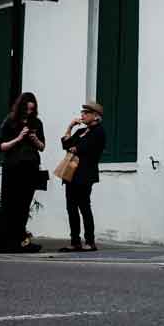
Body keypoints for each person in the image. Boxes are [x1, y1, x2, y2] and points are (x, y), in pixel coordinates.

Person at [0, 91, 45, 252]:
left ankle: (22, 241)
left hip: (30, 168)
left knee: (24, 205)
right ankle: (8, 241)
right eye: (27, 109)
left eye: (32, 109)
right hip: (12, 168)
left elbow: (42, 147)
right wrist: (18, 138)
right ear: (21, 107)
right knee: (11, 204)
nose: (30, 112)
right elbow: (1, 146)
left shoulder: (37, 123)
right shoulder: (10, 122)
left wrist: (34, 138)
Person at [59, 100, 107, 251]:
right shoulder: (81, 131)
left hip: (85, 174)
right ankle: (75, 241)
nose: (82, 115)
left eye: (86, 113)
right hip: (72, 173)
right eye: (82, 113)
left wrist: (74, 148)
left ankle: (90, 241)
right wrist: (70, 127)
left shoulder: (99, 131)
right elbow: (66, 146)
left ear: (96, 116)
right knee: (71, 208)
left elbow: (82, 149)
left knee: (84, 206)